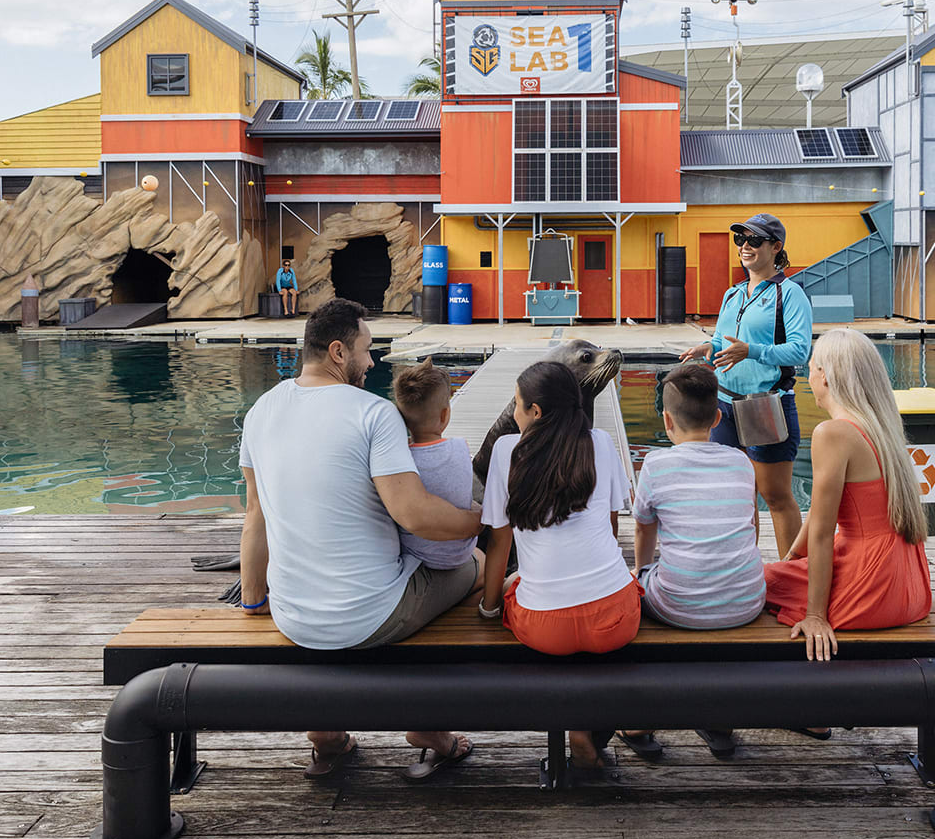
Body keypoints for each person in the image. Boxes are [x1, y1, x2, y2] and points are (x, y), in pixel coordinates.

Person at [238, 298, 485, 781]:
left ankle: (327, 734)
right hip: (372, 614)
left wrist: (254, 605)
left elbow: (254, 518)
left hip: (294, 617)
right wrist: (480, 522)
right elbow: (415, 516)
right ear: (337, 352)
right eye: (367, 350)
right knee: (470, 565)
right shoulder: (374, 414)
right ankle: (428, 724)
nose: (371, 362)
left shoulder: (260, 411)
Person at [478, 360, 637, 771]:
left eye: (517, 403)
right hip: (616, 618)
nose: (513, 412)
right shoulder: (600, 443)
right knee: (601, 611)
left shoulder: (505, 452)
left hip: (544, 627)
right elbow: (611, 527)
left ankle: (575, 732)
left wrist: (489, 608)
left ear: (535, 412)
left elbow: (500, 539)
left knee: (522, 586)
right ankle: (588, 730)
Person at [764, 327, 933, 668]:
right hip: (909, 583)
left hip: (870, 586)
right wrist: (793, 557)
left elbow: (824, 533)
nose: (806, 375)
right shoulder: (881, 427)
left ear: (825, 376)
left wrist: (815, 615)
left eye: (810, 367)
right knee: (778, 574)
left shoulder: (833, 433)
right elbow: (818, 512)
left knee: (750, 586)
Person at [622, 362, 766, 761]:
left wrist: (641, 571)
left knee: (642, 593)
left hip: (680, 604)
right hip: (746, 601)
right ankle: (718, 721)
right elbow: (751, 530)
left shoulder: (656, 464)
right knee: (705, 582)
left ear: (666, 419)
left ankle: (640, 721)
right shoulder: (740, 461)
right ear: (718, 417)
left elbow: (644, 531)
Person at [679, 212, 813, 560]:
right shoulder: (733, 293)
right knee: (737, 495)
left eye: (754, 240)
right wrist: (708, 349)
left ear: (775, 247)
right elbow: (724, 341)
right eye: (741, 240)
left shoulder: (790, 294)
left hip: (766, 404)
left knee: (776, 496)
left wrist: (750, 351)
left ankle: (792, 576)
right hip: (724, 406)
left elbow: (800, 349)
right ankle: (744, 572)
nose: (745, 246)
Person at [391, 357, 478, 573]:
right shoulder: (460, 448)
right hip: (461, 554)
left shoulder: (401, 461)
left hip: (417, 558)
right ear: (445, 414)